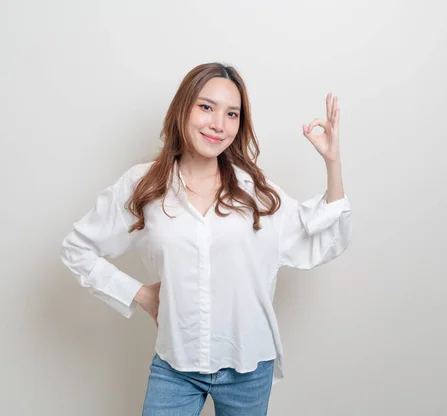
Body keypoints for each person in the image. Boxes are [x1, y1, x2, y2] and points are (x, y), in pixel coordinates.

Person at [60, 62, 352, 415]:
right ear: (183, 108)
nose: (218, 124)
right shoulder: (143, 186)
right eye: (206, 107)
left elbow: (320, 238)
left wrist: (332, 162)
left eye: (232, 114)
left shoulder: (254, 190)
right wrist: (138, 294)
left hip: (249, 367)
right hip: (177, 364)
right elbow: (77, 249)